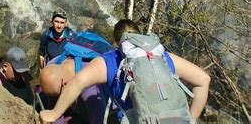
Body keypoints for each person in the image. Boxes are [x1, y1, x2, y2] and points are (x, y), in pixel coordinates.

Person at [40, 19, 211, 124]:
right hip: (176, 119)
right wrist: (192, 118)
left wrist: (54, 114)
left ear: (116, 42)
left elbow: (78, 82)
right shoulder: (162, 56)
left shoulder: (110, 60)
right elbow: (204, 80)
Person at [40, 56, 108, 124]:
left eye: (58, 95)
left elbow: (100, 119)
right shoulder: (52, 66)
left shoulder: (89, 89)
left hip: (108, 109)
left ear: (64, 84)